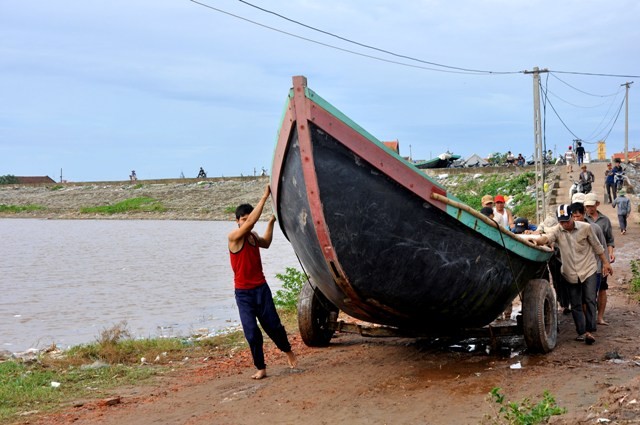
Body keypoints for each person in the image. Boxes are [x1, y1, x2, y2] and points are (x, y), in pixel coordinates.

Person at [228, 184, 297, 379]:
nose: (246, 222)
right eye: (243, 219)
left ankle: (288, 351)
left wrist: (271, 222)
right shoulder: (233, 237)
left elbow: (265, 243)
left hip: (261, 289)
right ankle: (261, 367)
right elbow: (250, 223)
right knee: (252, 333)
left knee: (273, 326)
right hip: (243, 294)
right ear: (237, 222)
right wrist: (265, 197)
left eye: (247, 218)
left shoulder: (253, 237)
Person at [531, 204, 613, 344]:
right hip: (570, 272)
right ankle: (582, 332)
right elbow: (547, 238)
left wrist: (606, 263)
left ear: (571, 218)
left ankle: (590, 330)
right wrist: (536, 241)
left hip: (588, 269)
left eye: (567, 221)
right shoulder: (558, 230)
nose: (565, 224)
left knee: (589, 299)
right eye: (562, 222)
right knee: (575, 303)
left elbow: (597, 247)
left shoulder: (585, 228)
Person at [584, 193, 615, 326]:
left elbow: (609, 240)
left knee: (602, 288)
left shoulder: (605, 220)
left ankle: (600, 317)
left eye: (592, 205)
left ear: (597, 204)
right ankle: (588, 319)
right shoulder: (582, 220)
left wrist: (609, 255)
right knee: (587, 291)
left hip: (601, 259)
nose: (590, 208)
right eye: (587, 206)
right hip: (586, 260)